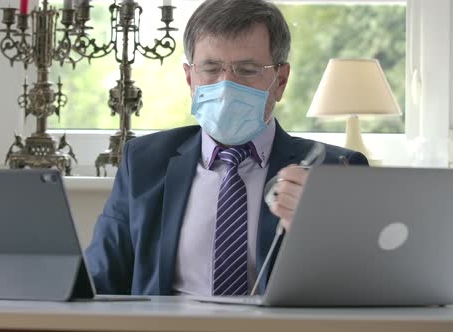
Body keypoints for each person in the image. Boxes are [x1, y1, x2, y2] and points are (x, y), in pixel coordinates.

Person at [85, 0, 368, 296]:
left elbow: (363, 289)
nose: (226, 85)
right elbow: (98, 280)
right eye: (210, 68)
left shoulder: (334, 170)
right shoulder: (144, 162)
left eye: (247, 70)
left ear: (280, 81)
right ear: (189, 78)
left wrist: (322, 230)